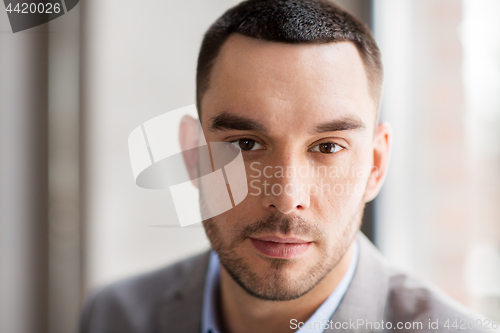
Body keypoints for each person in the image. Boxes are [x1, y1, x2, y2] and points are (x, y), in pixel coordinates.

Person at [79, 1, 498, 332]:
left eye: (328, 147)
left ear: (375, 164)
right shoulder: (114, 316)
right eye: (246, 143)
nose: (285, 198)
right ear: (194, 155)